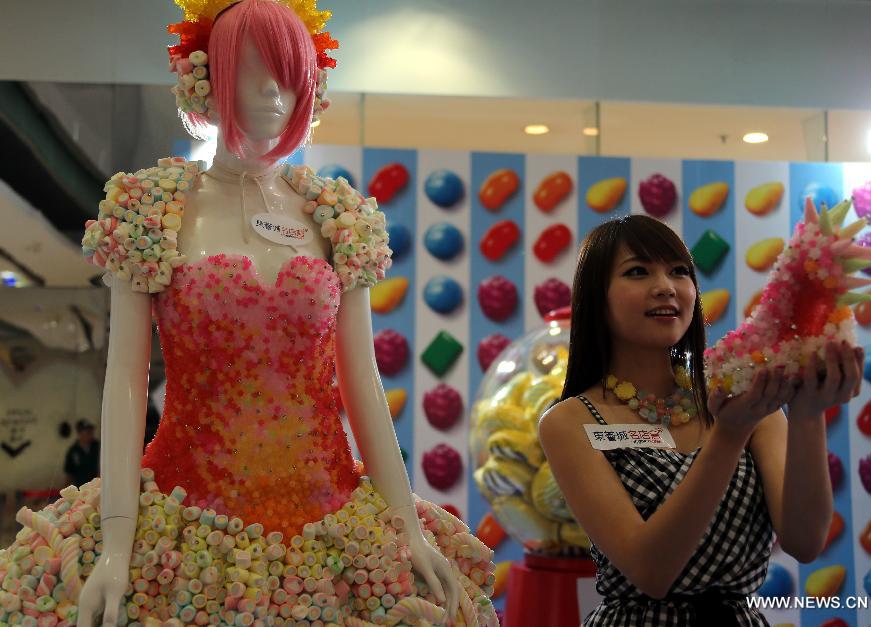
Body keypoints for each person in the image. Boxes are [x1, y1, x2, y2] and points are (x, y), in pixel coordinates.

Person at [0, 2, 498, 626]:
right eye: (251, 68)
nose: (271, 89)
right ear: (205, 77)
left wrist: (406, 525)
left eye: (288, 72)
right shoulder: (153, 209)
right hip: (186, 519)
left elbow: (361, 380)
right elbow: (126, 378)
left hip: (331, 520)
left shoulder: (335, 217)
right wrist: (118, 541)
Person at [538, 215, 864, 626]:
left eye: (679, 271)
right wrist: (727, 438)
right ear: (596, 297)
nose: (665, 286)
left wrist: (808, 414)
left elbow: (805, 541)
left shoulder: (743, 398)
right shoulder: (570, 421)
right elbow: (651, 571)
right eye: (638, 271)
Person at [64, 419, 100, 487]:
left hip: (96, 488)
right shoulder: (73, 451)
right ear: (79, 433)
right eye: (87, 431)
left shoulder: (98, 447)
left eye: (91, 431)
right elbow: (69, 473)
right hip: (80, 488)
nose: (90, 433)